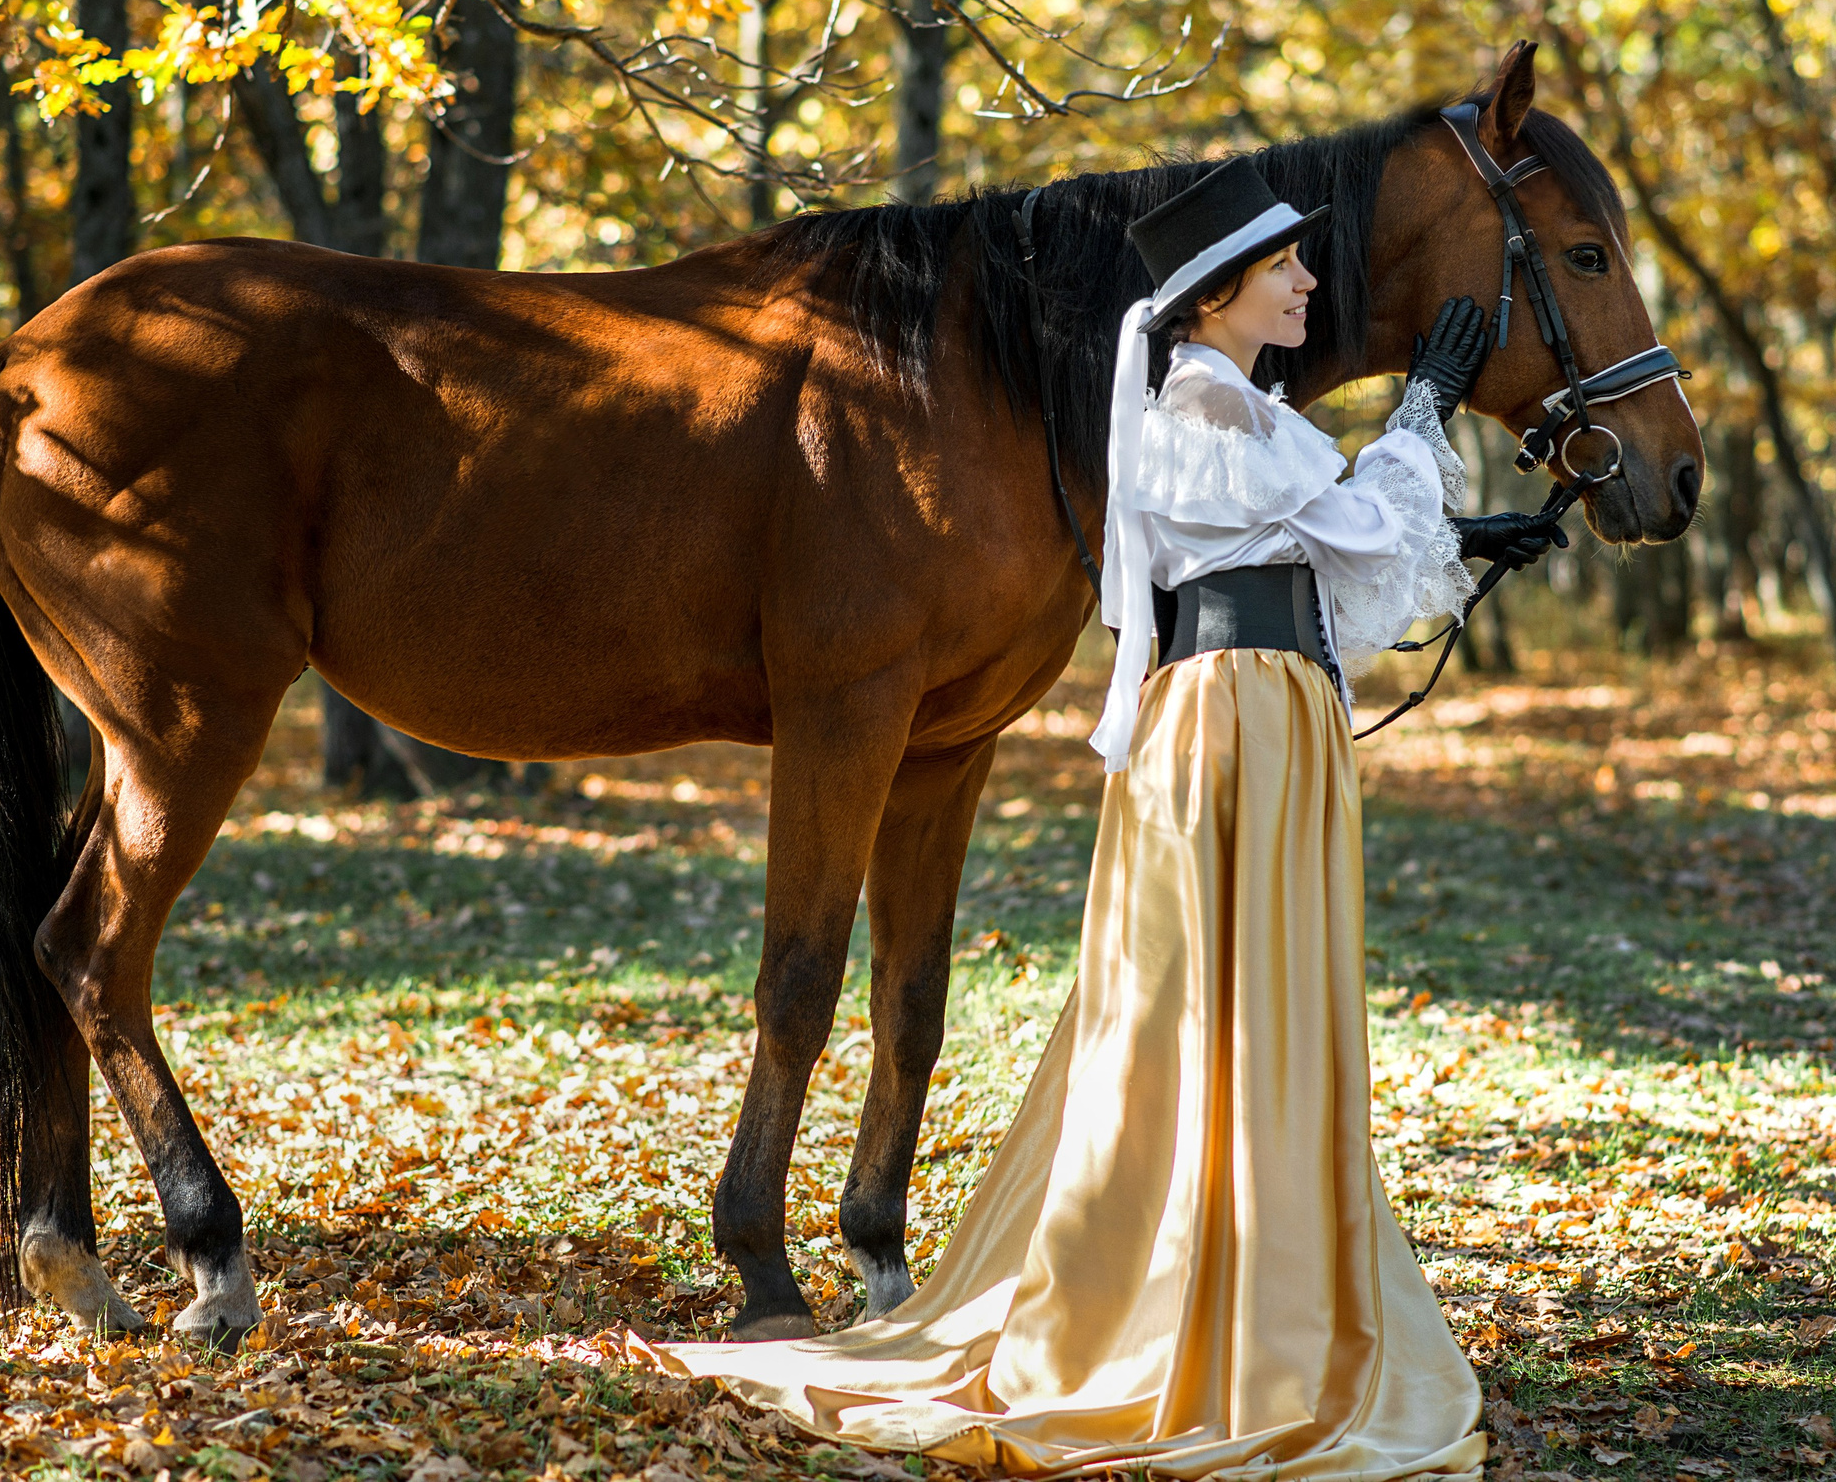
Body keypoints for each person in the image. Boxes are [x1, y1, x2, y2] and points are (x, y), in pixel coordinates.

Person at [654, 159, 1566, 1480]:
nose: (1312, 281)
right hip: (1237, 718)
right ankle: (1203, 1316)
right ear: (1214, 298)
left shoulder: (1243, 413)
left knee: (1262, 1010)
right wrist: (1421, 407)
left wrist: (1459, 532)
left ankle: (1259, 1297)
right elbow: (1347, 519)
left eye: (1306, 264)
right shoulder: (1197, 406)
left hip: (1274, 710)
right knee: (1217, 1009)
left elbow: (1324, 555)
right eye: (1285, 268)